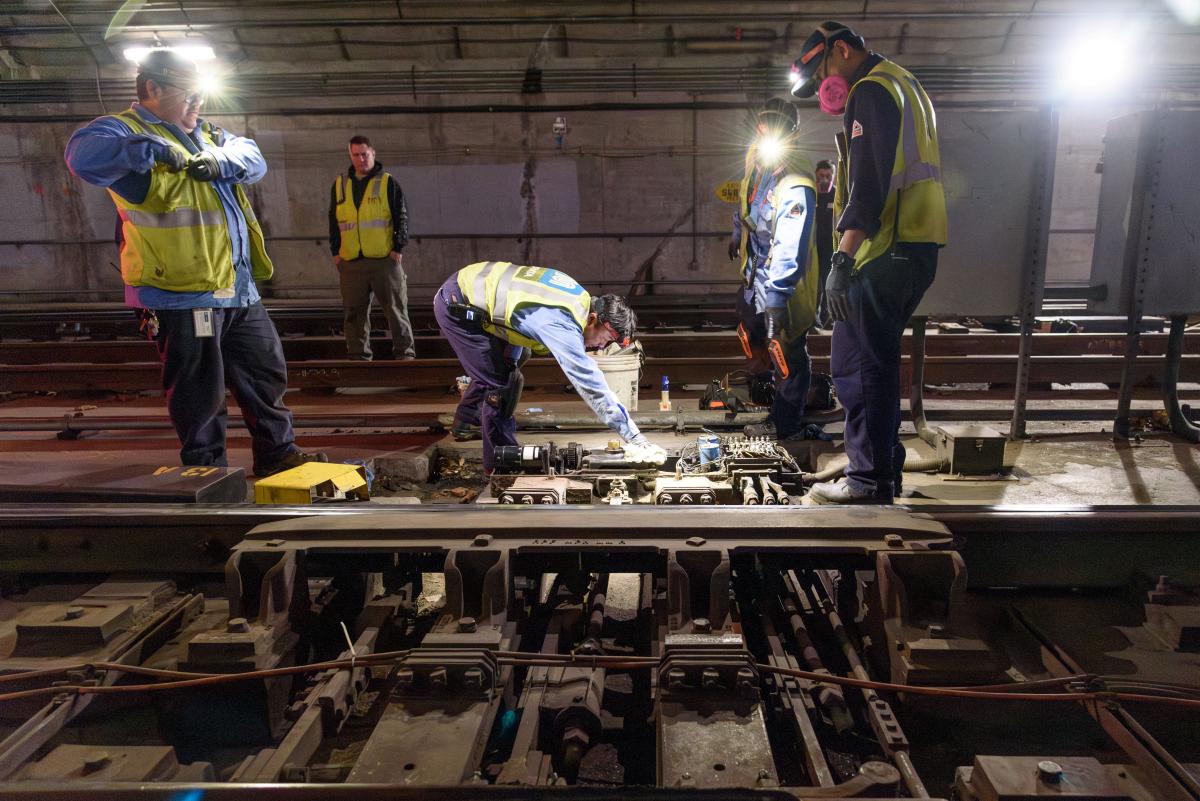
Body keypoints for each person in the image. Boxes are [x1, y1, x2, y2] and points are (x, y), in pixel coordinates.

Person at [65, 49, 325, 476]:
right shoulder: (121, 130)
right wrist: (150, 150)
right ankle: (208, 472)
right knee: (199, 391)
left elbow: (252, 156)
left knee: (265, 373)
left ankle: (278, 455)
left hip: (236, 286)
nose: (198, 104)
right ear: (152, 88)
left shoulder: (209, 134)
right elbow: (82, 155)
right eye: (189, 95)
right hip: (179, 292)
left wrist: (218, 160)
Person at [790, 21, 947, 504]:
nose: (822, 88)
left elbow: (869, 187)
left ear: (841, 50)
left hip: (883, 250)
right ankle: (882, 469)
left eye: (821, 75)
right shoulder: (905, 83)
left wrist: (841, 259)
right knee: (864, 362)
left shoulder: (871, 91)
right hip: (913, 246)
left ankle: (869, 480)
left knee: (860, 367)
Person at [434, 261, 666, 473]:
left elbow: (519, 318)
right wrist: (634, 437)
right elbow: (590, 383)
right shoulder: (560, 324)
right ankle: (499, 463)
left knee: (510, 367)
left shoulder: (580, 299)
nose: (601, 347)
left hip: (478, 293)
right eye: (605, 339)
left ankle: (469, 422)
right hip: (457, 306)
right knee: (501, 384)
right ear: (593, 319)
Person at [727, 98, 821, 442]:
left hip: (782, 286)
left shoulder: (795, 178)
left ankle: (787, 426)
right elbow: (745, 204)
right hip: (755, 278)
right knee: (752, 341)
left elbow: (789, 243)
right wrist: (737, 235)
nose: (768, 132)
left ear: (792, 134)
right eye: (764, 125)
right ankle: (772, 404)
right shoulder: (758, 161)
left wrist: (777, 301)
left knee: (787, 354)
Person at [329, 135, 415, 361]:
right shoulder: (340, 184)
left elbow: (402, 216)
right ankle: (358, 358)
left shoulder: (387, 182)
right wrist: (335, 252)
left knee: (396, 311)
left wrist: (398, 248)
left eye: (364, 154)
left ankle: (405, 356)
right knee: (354, 314)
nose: (360, 159)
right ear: (350, 155)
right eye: (355, 155)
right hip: (350, 261)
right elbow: (333, 221)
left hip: (384, 260)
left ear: (373, 154)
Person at [813, 158, 836, 323]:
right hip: (812, 248)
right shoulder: (810, 195)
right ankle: (812, 319)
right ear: (816, 176)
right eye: (821, 175)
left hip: (831, 248)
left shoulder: (838, 195)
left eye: (828, 175)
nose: (825, 180)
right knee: (814, 286)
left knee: (829, 283)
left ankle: (828, 317)